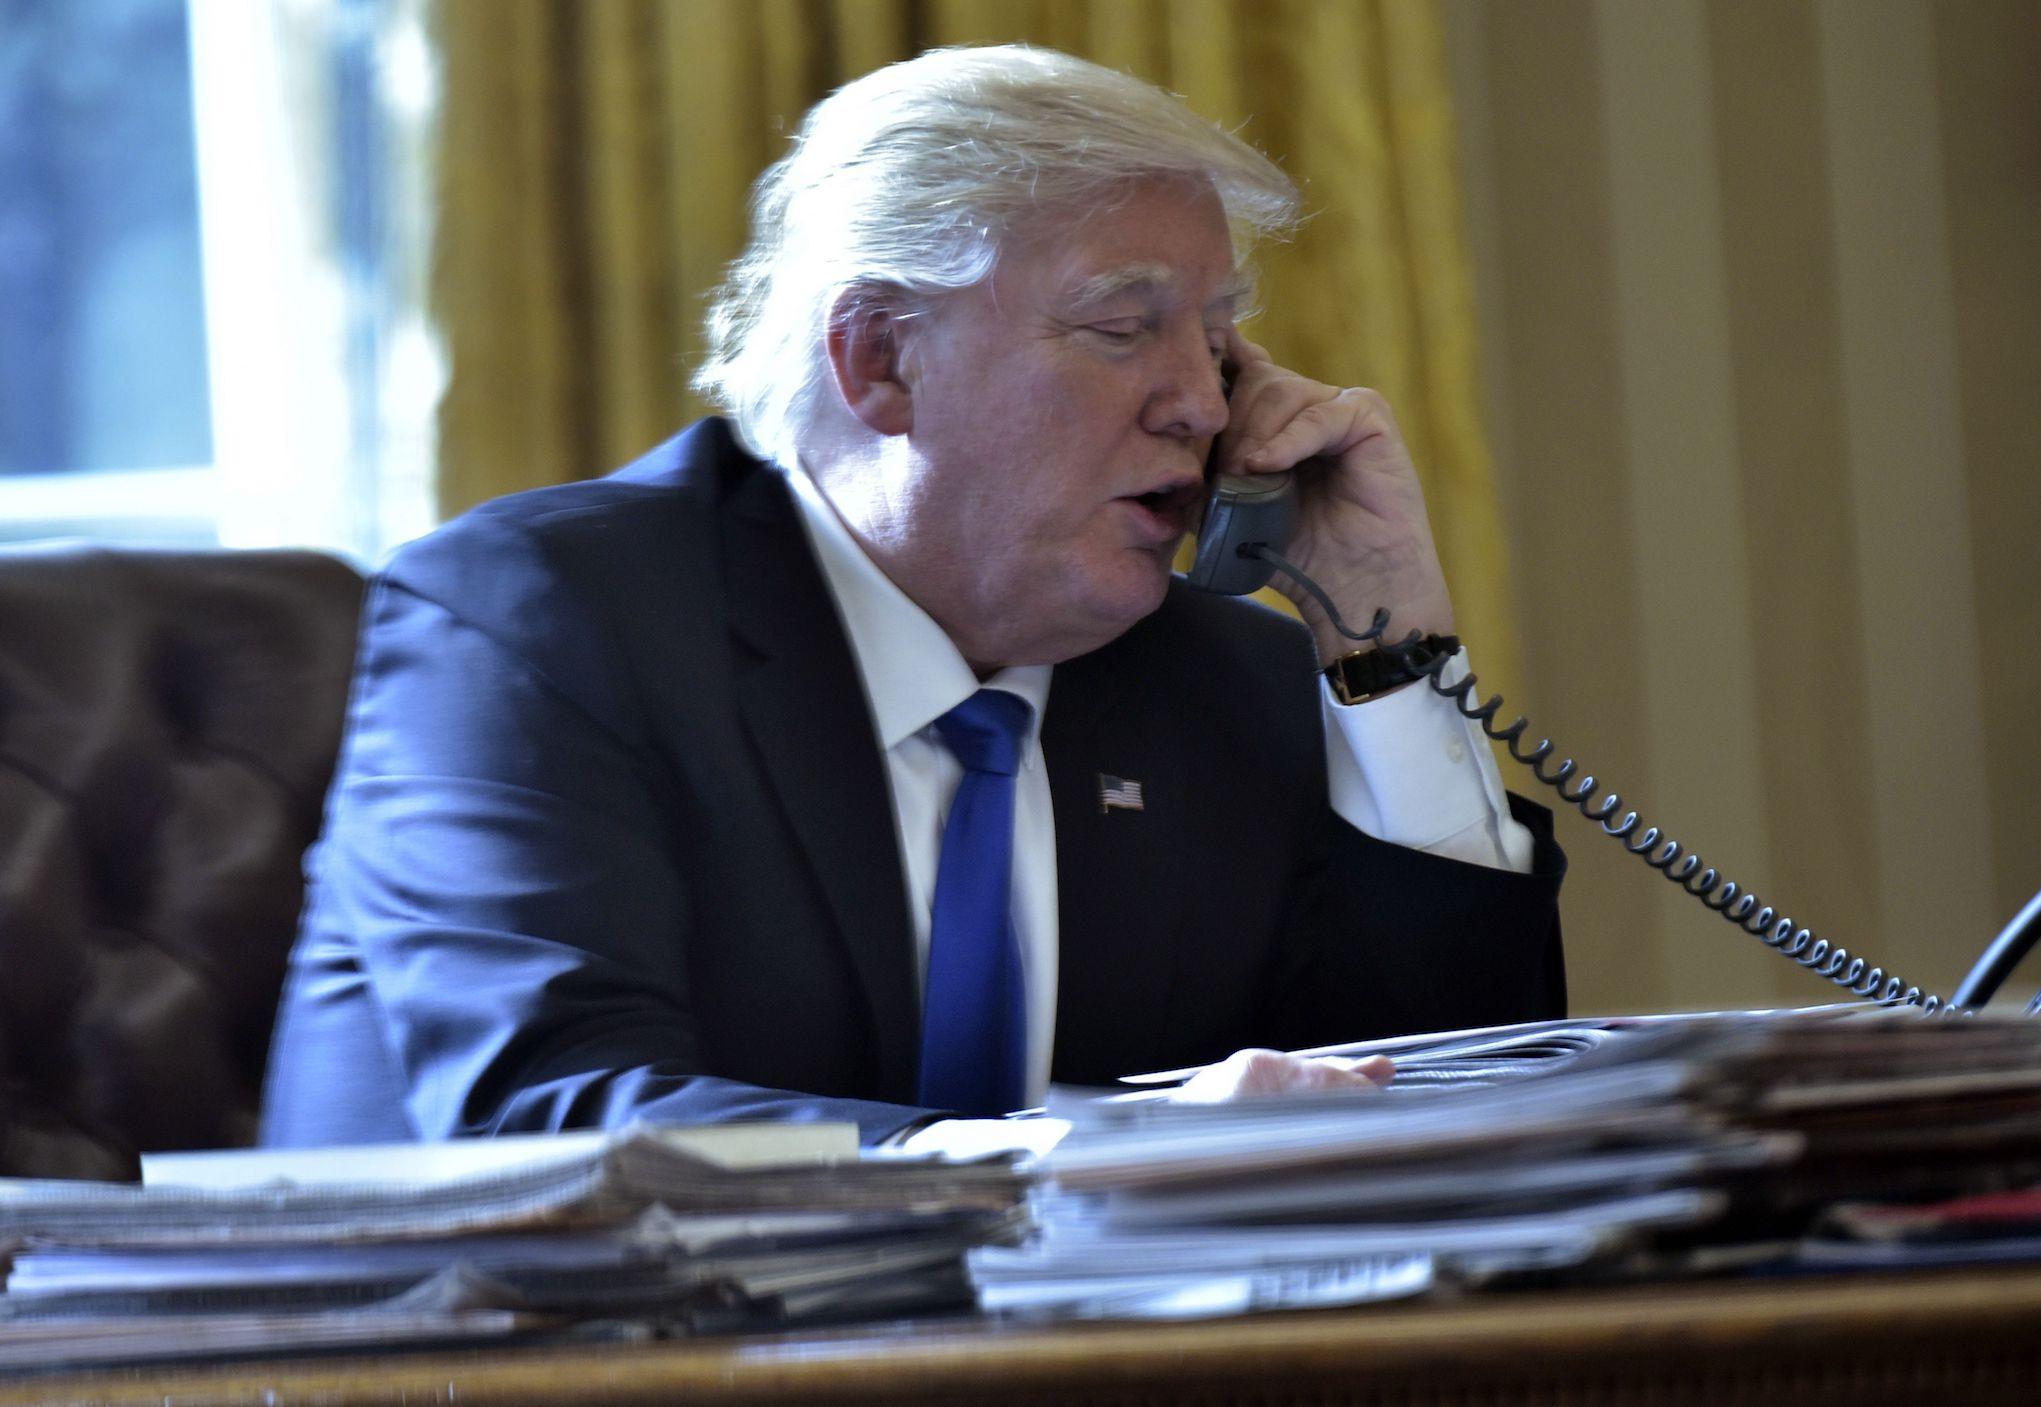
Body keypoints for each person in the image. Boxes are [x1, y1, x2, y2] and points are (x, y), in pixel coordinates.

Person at [261, 44, 1565, 1155]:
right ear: (881, 360)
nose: (1207, 403)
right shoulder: (540, 624)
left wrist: (1388, 654)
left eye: (1217, 331)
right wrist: (1072, 1163)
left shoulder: (1222, 681)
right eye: (1126, 327)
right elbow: (548, 1121)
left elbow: (1468, 1121)